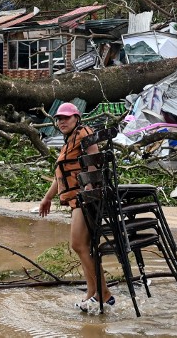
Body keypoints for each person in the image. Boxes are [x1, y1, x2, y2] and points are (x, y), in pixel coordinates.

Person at [38, 102, 113, 313]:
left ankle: (104, 294)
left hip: (86, 198)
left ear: (77, 118)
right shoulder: (68, 143)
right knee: (83, 247)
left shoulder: (84, 133)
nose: (62, 121)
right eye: (59, 118)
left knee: (78, 245)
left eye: (66, 118)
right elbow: (60, 176)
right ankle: (92, 293)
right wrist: (47, 198)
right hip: (77, 199)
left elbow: (93, 161)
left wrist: (89, 189)